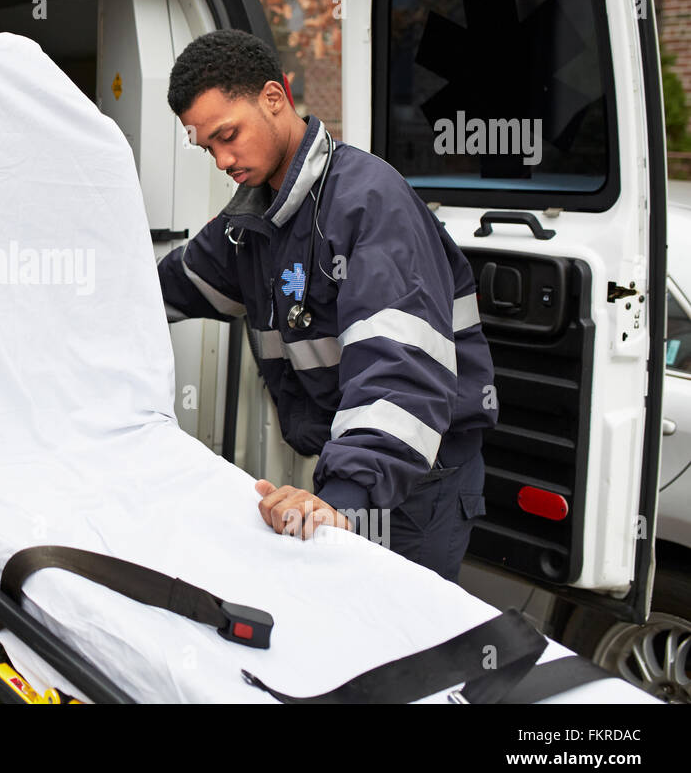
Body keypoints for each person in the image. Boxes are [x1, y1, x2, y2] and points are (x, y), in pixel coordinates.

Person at [157, 29, 496, 581]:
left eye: (228, 135)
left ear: (274, 98)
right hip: (353, 470)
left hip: (416, 480)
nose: (221, 159)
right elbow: (173, 286)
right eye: (207, 147)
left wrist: (342, 497)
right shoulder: (253, 221)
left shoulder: (367, 203)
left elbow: (399, 369)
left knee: (397, 649)